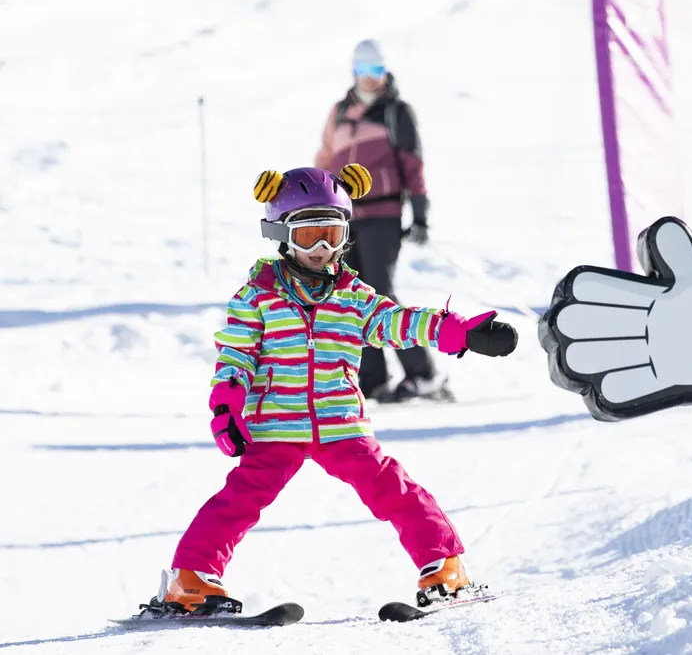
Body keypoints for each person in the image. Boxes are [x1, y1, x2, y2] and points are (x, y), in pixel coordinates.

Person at [137, 165, 518, 618]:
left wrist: (454, 331)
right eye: (308, 235)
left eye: (333, 234)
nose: (322, 248)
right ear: (282, 235)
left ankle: (445, 571)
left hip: (341, 424)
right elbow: (236, 355)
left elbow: (397, 322)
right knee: (238, 501)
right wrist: (227, 406)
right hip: (276, 425)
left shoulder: (353, 296)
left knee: (395, 490)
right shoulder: (257, 297)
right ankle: (191, 581)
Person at [314, 39, 438, 403]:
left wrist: (420, 215)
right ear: (353, 72)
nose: (370, 77)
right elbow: (325, 158)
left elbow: (413, 165)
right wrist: (315, 200)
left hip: (383, 216)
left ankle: (423, 373)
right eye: (364, 70)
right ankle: (372, 378)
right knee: (351, 295)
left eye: (377, 69)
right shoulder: (340, 112)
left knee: (380, 292)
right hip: (345, 217)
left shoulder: (396, 112)